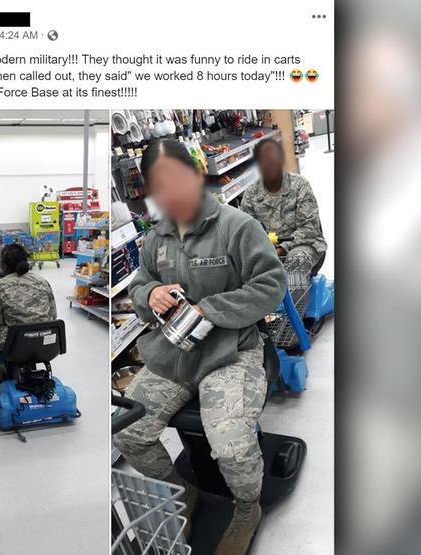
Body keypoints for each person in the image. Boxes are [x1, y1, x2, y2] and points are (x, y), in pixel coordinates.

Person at [114, 139, 287, 555]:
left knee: (230, 442)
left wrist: (210, 309)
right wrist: (150, 293)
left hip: (231, 350)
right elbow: (138, 286)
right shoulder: (156, 238)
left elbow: (270, 285)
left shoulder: (235, 225)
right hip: (174, 353)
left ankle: (247, 508)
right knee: (128, 431)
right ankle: (180, 495)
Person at [239, 138, 327, 276]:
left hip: (305, 246)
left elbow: (309, 228)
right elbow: (246, 232)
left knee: (296, 263)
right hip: (267, 252)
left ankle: (295, 297)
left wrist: (280, 249)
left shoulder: (300, 185)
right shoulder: (251, 194)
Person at [0, 244, 58, 382]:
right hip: (44, 341)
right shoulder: (42, 282)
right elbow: (53, 315)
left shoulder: (0, 285)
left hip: (13, 342)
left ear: (4, 265)